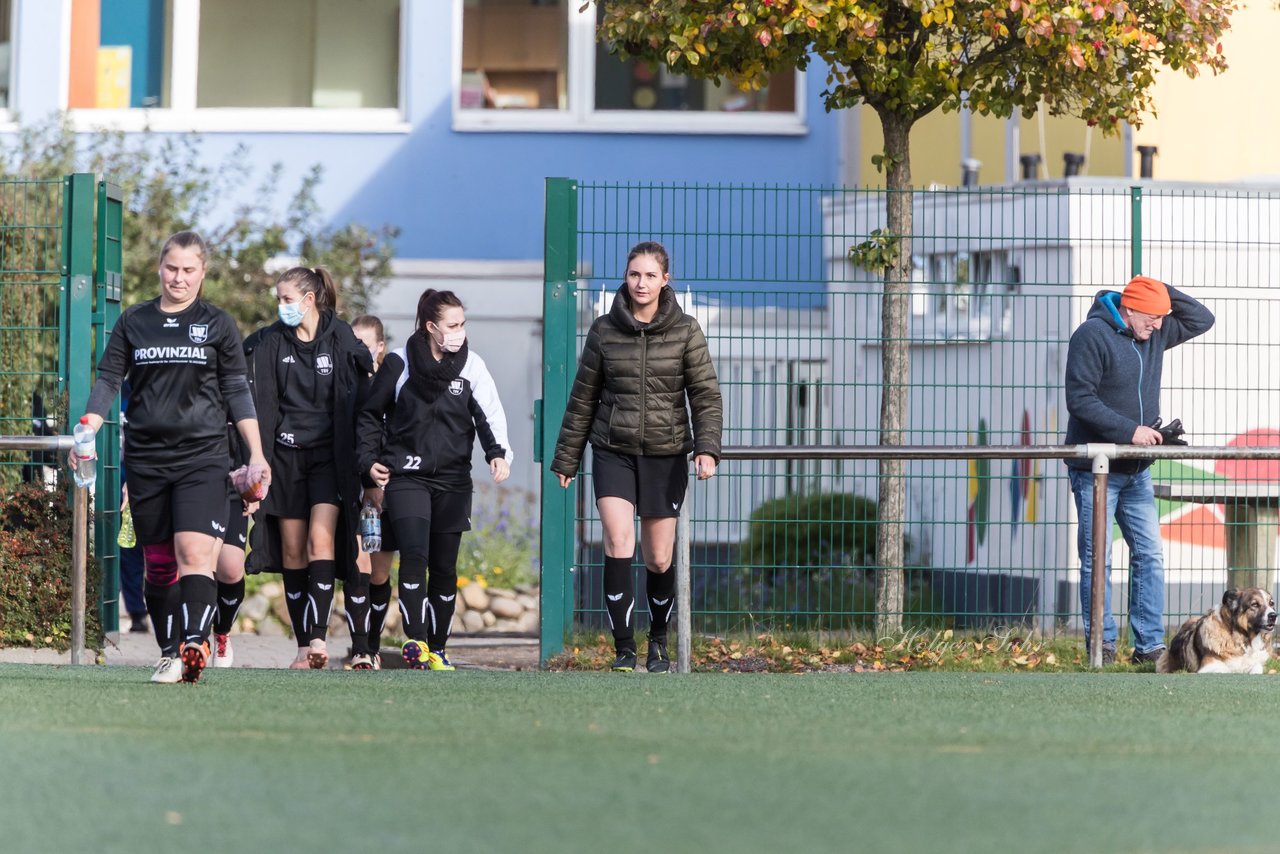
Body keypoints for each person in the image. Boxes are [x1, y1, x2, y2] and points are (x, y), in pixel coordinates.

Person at [78, 230, 269, 684]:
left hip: (203, 458)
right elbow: (108, 379)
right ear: (159, 268)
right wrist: (90, 422)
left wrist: (257, 454)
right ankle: (169, 653)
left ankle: (193, 643)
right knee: (159, 563)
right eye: (170, 268)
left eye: (187, 270)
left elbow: (237, 392)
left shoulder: (218, 324)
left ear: (203, 272)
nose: (178, 278)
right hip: (146, 459)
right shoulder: (133, 321)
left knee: (194, 552)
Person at [551, 241, 723, 673]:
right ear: (625, 278)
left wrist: (707, 448)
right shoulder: (604, 330)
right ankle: (624, 648)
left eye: (649, 275)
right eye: (634, 275)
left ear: (666, 280)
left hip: (665, 457)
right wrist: (567, 458)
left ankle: (658, 642)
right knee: (617, 540)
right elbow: (582, 398)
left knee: (659, 558)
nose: (640, 283)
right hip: (613, 452)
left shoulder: (686, 331)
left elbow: (705, 395)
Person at [356, 290, 513, 671]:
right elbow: (368, 415)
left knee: (444, 568)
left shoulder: (472, 366)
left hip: (454, 481)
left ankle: (439, 649)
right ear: (431, 327)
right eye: (452, 325)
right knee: (414, 554)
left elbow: (488, 414)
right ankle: (418, 642)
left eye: (463, 323)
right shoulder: (398, 363)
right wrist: (368, 463)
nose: (459, 331)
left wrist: (498, 453)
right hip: (406, 477)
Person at [1064, 275, 1214, 665]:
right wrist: (1130, 431)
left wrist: (1161, 291)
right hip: (1095, 470)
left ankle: (1148, 647)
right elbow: (1080, 399)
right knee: (1099, 558)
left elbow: (1202, 318)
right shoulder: (1091, 336)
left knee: (1149, 555)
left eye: (1163, 316)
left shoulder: (1154, 333)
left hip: (1137, 469)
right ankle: (1103, 646)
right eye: (1153, 315)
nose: (1160, 324)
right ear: (1128, 308)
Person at [244, 267, 372, 670]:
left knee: (322, 541)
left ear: (309, 299)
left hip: (328, 462)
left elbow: (368, 375)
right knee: (294, 551)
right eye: (278, 299)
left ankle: (319, 637)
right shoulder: (269, 341)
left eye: (286, 299)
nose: (280, 306)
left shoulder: (341, 338)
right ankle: (304, 647)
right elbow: (234, 363)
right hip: (283, 460)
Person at [351, 315, 396, 670]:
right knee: (359, 564)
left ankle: (375, 644)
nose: (359, 351)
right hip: (352, 485)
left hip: (389, 487)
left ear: (380, 346)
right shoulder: (345, 384)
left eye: (365, 344)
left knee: (380, 572)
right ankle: (360, 648)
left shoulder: (393, 382)